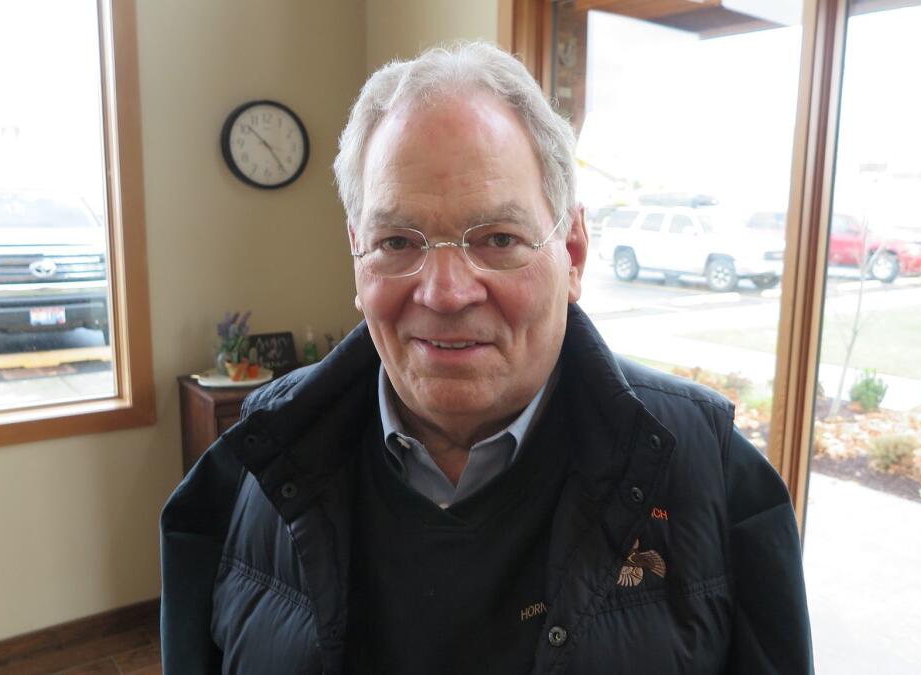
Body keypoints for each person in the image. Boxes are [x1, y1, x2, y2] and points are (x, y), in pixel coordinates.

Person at [160, 42, 812, 674]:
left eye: (498, 238)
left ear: (574, 253)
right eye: (397, 240)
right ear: (357, 258)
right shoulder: (253, 463)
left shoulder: (716, 477)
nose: (445, 292)